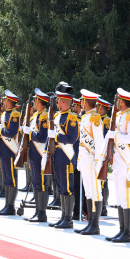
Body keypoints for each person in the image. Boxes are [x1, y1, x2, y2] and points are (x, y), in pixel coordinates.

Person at [103, 88, 130, 243]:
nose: (116, 102)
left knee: (125, 197)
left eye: (118, 100)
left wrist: (115, 136)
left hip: (126, 161)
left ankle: (128, 232)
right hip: (118, 160)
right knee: (119, 197)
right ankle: (121, 230)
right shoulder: (118, 115)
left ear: (122, 102)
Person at [47, 88, 79, 229]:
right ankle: (63, 216)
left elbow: (71, 139)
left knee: (67, 188)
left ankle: (68, 218)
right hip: (58, 155)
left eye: (59, 100)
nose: (57, 103)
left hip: (66, 156)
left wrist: (56, 136)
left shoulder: (71, 118)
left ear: (64, 102)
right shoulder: (58, 116)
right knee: (60, 187)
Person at [74, 89, 104, 235]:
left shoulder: (95, 118)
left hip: (93, 160)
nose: (81, 102)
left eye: (82, 100)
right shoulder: (85, 117)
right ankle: (90, 222)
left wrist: (99, 161)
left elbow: (99, 142)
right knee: (88, 191)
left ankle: (95, 224)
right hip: (85, 158)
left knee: (95, 191)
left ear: (85, 102)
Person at [22, 88, 49, 222]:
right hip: (33, 153)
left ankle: (42, 213)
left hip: (40, 153)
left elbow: (42, 137)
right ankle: (37, 211)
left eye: (35, 100)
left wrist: (29, 133)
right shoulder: (35, 116)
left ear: (39, 102)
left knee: (41, 184)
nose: (33, 102)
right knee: (35, 183)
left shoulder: (44, 117)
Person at [0, 90, 21, 216]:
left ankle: (11, 206)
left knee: (11, 178)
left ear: (10, 101)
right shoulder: (5, 113)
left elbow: (11, 132)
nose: (3, 102)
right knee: (6, 177)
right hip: (4, 149)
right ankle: (7, 204)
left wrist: (0, 130)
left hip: (10, 150)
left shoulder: (14, 114)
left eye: (5, 100)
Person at [96, 97, 112, 216]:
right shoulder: (98, 119)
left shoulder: (106, 120)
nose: (96, 108)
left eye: (98, 106)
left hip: (104, 152)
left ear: (102, 108)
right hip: (97, 151)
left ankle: (103, 206)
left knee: (103, 181)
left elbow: (106, 137)